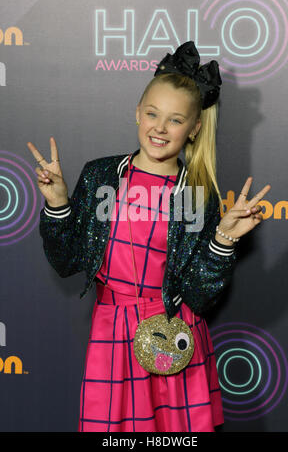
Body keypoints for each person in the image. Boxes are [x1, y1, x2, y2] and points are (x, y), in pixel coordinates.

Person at [27, 41, 271, 432]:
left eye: (175, 120)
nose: (160, 127)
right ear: (136, 113)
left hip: (176, 328)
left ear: (194, 129)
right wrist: (58, 204)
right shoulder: (101, 176)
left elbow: (200, 295)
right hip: (113, 330)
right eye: (152, 114)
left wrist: (223, 241)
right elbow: (65, 260)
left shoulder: (196, 193)